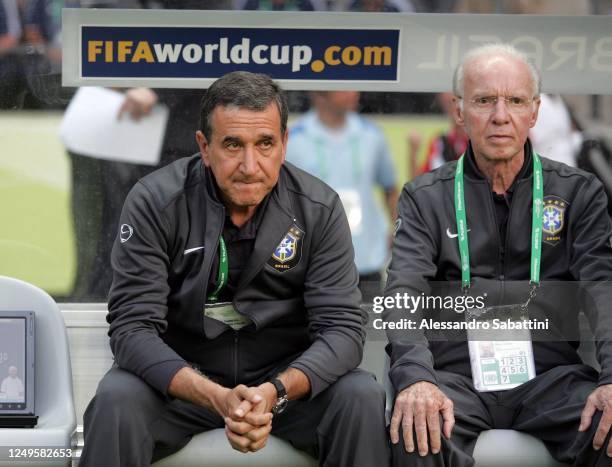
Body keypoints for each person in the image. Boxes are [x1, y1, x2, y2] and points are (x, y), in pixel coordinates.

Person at [79, 71, 389, 467]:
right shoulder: (156, 201)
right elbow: (131, 329)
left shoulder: (319, 209)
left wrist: (275, 391)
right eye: (232, 144)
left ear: (285, 144)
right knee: (116, 398)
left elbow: (343, 330)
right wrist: (217, 397)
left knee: (360, 396)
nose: (250, 164)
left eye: (265, 144)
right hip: (183, 385)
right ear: (204, 147)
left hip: (283, 388)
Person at [385, 43, 612, 466]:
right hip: (454, 379)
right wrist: (416, 378)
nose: (500, 116)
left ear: (535, 111)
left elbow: (604, 291)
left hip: (551, 380)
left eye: (515, 101)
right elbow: (403, 296)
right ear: (459, 112)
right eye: (485, 100)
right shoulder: (425, 197)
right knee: (415, 431)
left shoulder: (578, 193)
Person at [286, 90, 398, 301]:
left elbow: (390, 188)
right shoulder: (293, 139)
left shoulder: (372, 135)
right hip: (314, 261)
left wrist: (397, 229)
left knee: (368, 329)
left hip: (366, 258)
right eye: (344, 86)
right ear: (319, 94)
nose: (353, 92)